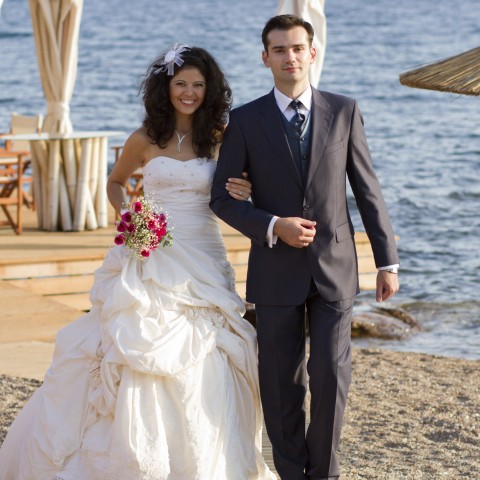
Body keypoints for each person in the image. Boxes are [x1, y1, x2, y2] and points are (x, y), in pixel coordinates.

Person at [0, 45, 276, 480]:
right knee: (129, 340)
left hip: (203, 255)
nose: (189, 93)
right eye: (181, 83)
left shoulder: (223, 136)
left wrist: (246, 191)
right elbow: (115, 183)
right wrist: (130, 213)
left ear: (211, 89)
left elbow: (247, 187)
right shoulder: (145, 137)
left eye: (198, 85)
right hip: (150, 252)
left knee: (212, 350)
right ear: (166, 87)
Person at [210, 14, 400, 480]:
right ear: (265, 58)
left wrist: (387, 261)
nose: (290, 57)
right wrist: (274, 223)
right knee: (280, 382)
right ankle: (293, 473)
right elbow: (221, 198)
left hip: (335, 267)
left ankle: (325, 473)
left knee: (332, 375)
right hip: (275, 269)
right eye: (279, 49)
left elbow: (367, 190)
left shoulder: (345, 110)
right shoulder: (245, 120)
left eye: (298, 48)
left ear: (312, 53)